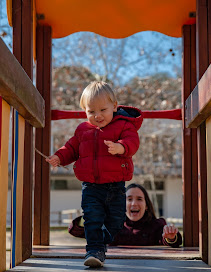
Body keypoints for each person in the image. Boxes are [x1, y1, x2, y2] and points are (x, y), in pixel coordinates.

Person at [46, 81, 143, 267]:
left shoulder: (123, 125)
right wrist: (59, 157)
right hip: (90, 186)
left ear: (114, 106)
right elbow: (71, 147)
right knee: (92, 216)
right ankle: (94, 250)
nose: (97, 116)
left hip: (116, 186)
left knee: (116, 221)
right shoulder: (83, 130)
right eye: (91, 112)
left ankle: (99, 238)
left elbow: (133, 142)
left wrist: (121, 147)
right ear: (85, 111)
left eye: (102, 110)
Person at [69, 183, 182, 247]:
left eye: (139, 199)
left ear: (146, 205)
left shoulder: (157, 225)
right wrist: (93, 215)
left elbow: (171, 241)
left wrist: (171, 237)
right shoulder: (110, 225)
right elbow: (75, 231)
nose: (134, 203)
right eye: (129, 199)